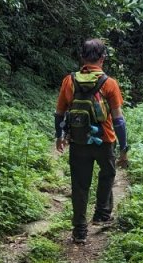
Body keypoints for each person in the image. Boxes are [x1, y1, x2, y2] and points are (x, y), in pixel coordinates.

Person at [55, 39, 128, 244]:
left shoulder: (69, 81)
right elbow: (119, 120)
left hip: (78, 141)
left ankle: (79, 231)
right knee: (108, 174)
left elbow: (60, 113)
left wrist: (59, 136)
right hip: (104, 141)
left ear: (82, 57)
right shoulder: (110, 83)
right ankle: (102, 214)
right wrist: (123, 147)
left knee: (79, 185)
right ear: (103, 59)